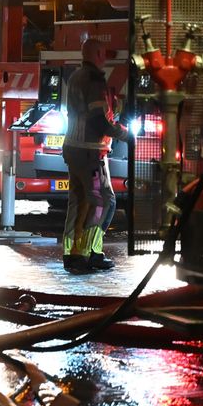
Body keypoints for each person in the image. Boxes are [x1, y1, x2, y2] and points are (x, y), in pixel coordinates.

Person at [61, 38, 130, 273]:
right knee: (103, 201)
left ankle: (73, 254)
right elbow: (99, 120)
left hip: (73, 149)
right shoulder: (95, 80)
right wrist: (125, 134)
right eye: (104, 54)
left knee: (78, 202)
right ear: (99, 54)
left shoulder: (75, 77)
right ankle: (90, 253)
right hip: (91, 152)